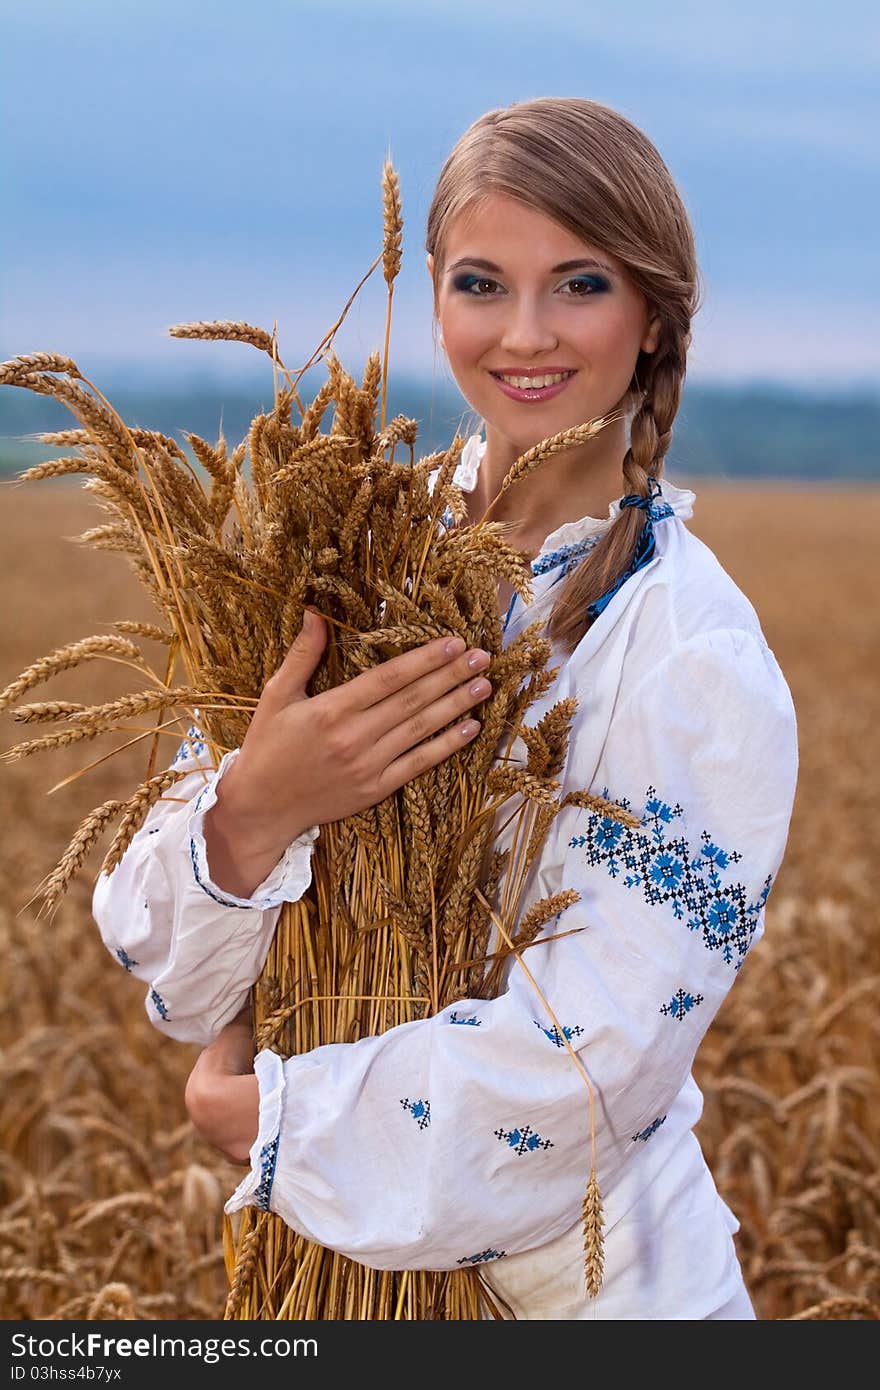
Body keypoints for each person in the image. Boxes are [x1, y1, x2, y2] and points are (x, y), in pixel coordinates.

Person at [91, 97, 799, 1319]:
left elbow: (588, 1075)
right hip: (311, 1292)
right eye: (482, 282)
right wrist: (255, 809)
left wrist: (275, 1119)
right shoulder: (327, 556)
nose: (525, 333)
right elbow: (171, 966)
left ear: (655, 316)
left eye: (579, 283)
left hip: (599, 1297)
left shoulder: (694, 655)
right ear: (429, 294)